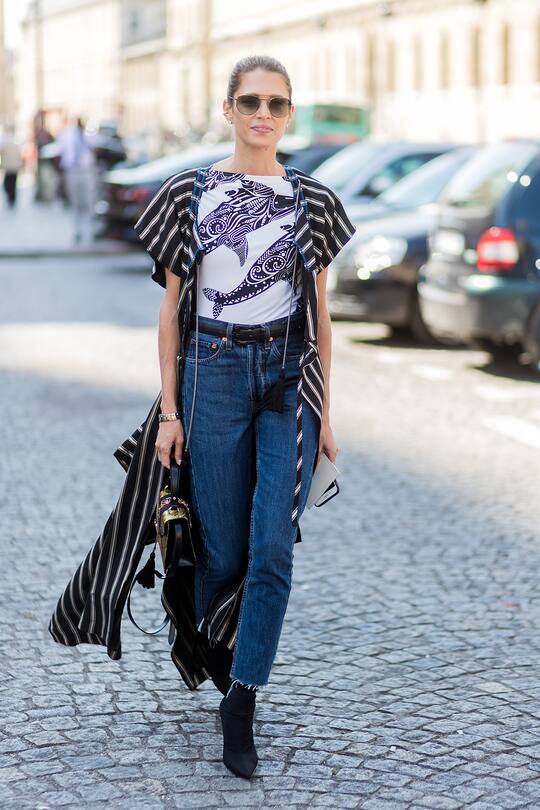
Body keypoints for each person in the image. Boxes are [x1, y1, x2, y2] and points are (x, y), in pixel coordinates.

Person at [133, 55, 356, 780]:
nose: (265, 114)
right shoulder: (188, 193)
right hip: (214, 370)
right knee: (223, 553)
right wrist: (170, 412)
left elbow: (321, 315)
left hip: (288, 376)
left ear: (290, 114)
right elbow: (170, 311)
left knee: (273, 549)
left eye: (278, 104)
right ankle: (216, 645)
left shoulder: (312, 200)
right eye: (252, 101)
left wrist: (326, 411)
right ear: (228, 109)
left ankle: (243, 699)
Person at [57, 115, 96, 244]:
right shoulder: (67, 134)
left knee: (89, 202)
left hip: (86, 171)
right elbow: (61, 150)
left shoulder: (89, 134)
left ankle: (90, 230)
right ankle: (77, 231)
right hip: (73, 171)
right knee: (75, 203)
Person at [1, 125, 23, 208]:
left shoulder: (7, 142)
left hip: (10, 166)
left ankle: (11, 199)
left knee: (9, 183)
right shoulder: (15, 142)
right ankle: (12, 199)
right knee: (11, 183)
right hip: (12, 166)